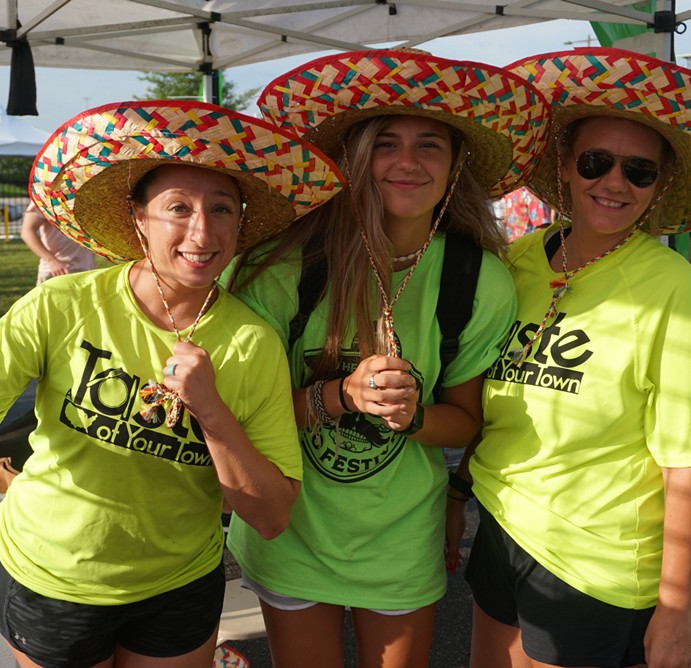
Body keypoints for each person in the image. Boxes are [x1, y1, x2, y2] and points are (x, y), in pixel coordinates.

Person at [0, 100, 345, 667]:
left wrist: (211, 410)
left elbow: (269, 515)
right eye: (178, 208)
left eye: (221, 209)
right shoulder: (63, 304)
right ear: (138, 217)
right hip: (54, 575)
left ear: (240, 224)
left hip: (178, 584)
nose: (202, 230)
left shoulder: (251, 343)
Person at [227, 50, 548, 668]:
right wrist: (339, 396)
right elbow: (242, 417)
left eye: (430, 145)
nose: (407, 162)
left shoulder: (477, 279)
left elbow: (466, 419)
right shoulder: (285, 265)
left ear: (455, 166)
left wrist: (413, 418)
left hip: (401, 541)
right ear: (352, 158)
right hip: (292, 534)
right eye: (386, 143)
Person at [456, 47, 691, 668]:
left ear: (661, 185)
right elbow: (480, 399)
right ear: (567, 165)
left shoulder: (673, 290)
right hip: (499, 521)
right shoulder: (514, 262)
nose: (615, 182)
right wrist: (452, 500)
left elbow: (688, 461)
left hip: (592, 560)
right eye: (597, 162)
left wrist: (675, 610)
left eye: (640, 171)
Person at [19, 200, 96, 284]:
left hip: (86, 271)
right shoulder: (45, 196)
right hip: (57, 272)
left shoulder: (85, 196)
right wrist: (51, 260)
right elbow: (27, 232)